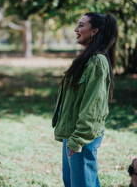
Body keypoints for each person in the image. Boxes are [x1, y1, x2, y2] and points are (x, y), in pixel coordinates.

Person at [52, 13, 118, 187]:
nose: (76, 29)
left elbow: (93, 106)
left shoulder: (98, 61)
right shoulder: (86, 58)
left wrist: (79, 139)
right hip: (73, 133)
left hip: (82, 137)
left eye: (81, 25)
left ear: (94, 31)